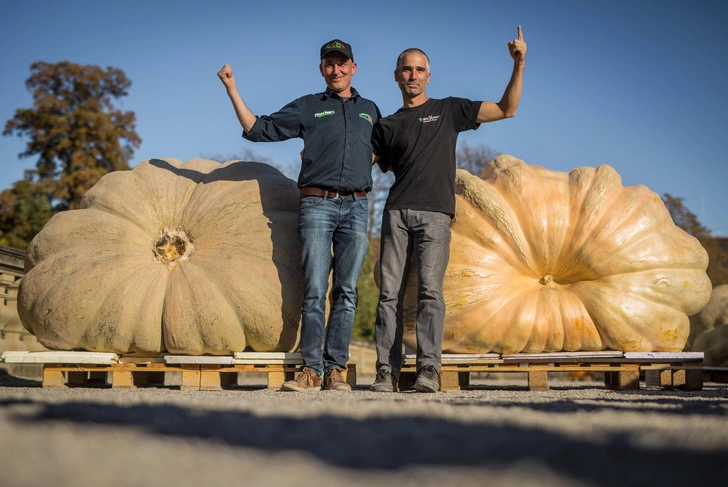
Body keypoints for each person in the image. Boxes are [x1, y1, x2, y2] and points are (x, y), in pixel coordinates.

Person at [369, 27, 527, 393]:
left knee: (430, 293)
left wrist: (519, 64)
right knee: (388, 295)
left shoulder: (449, 110)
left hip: (436, 215)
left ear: (429, 75)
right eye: (406, 69)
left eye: (419, 69)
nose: (413, 75)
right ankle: (385, 373)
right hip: (396, 213)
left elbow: (508, 109)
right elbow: (362, 162)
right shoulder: (387, 125)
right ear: (396, 76)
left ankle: (428, 371)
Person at [217, 39, 380, 392]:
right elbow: (259, 130)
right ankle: (311, 370)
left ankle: (336, 370)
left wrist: (357, 166)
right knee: (315, 289)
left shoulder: (370, 110)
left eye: (341, 63)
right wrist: (232, 90)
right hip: (316, 205)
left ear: (353, 67)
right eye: (328, 64)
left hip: (357, 207)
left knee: (347, 291)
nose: (335, 70)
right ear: (322, 69)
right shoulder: (309, 107)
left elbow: (381, 149)